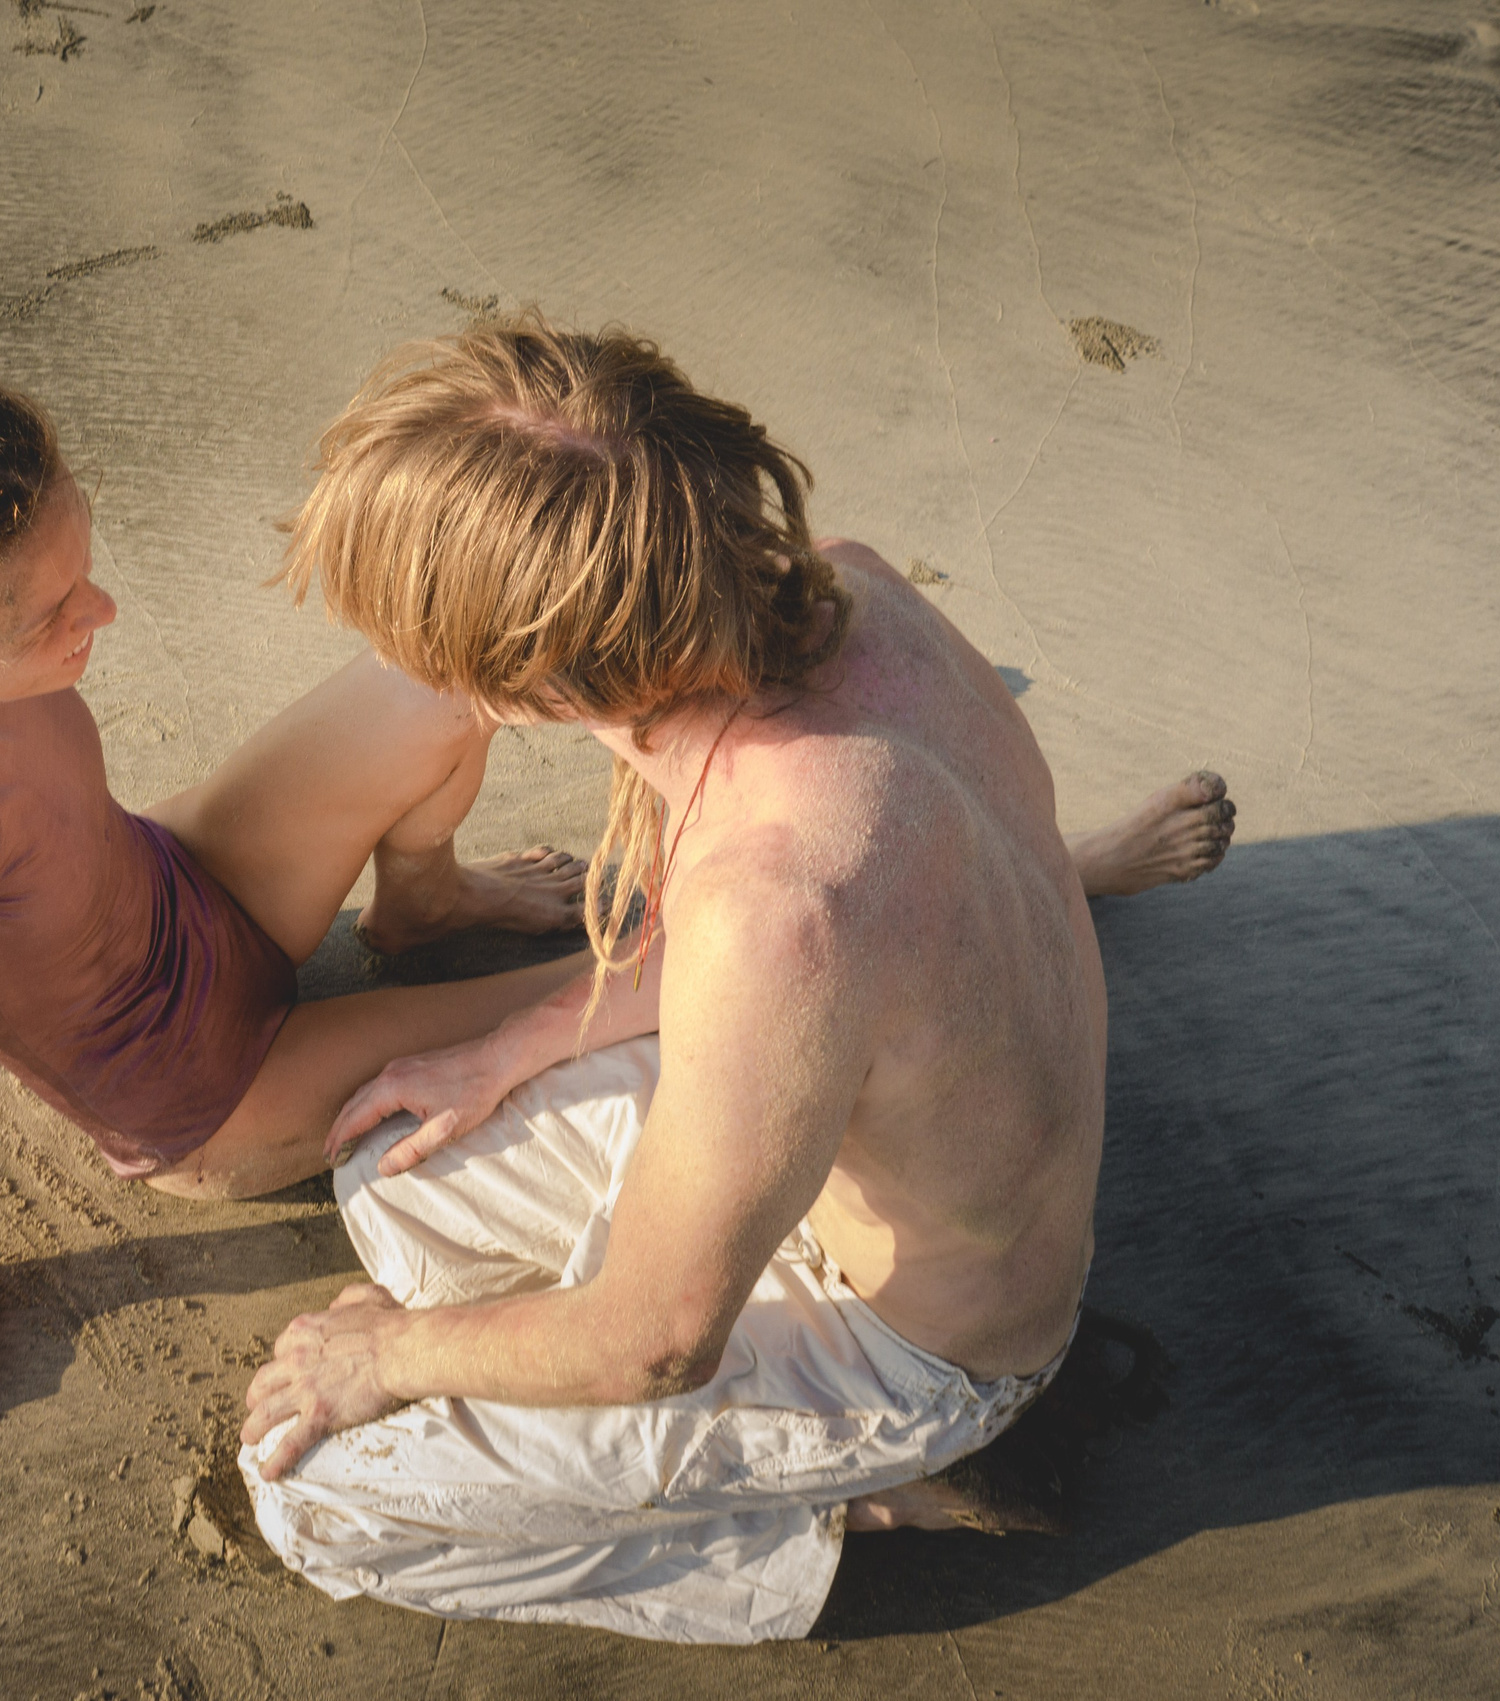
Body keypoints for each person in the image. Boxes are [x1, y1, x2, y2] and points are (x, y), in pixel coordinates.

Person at [232, 316, 1233, 1643]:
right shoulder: (853, 590)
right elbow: (813, 940)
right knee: (398, 1161)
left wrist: (391, 1357)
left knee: (315, 1496)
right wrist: (513, 1045)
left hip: (913, 1350)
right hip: (855, 1136)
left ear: (535, 680)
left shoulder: (779, 905)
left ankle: (885, 1498)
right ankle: (588, 1408)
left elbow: (658, 1338)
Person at [0, 347, 601, 1427]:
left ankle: (425, 903)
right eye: (51, 614)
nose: (105, 610)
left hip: (192, 877)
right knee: (608, 991)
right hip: (210, 1090)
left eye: (80, 562)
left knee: (445, 679)